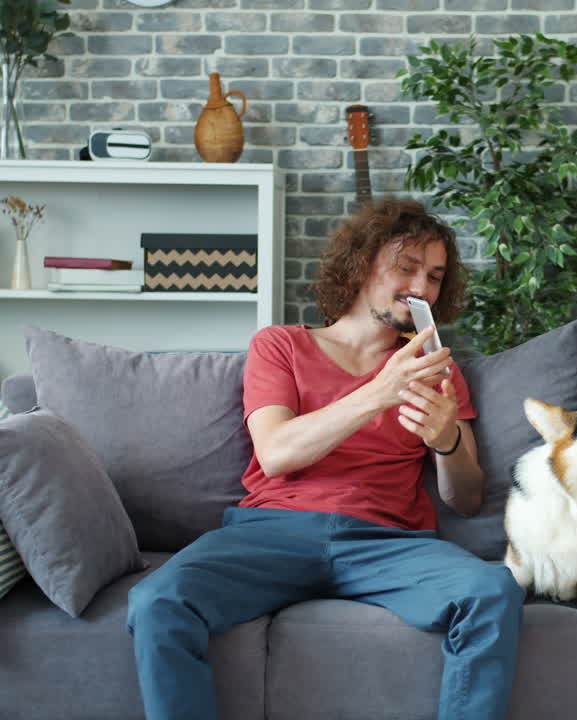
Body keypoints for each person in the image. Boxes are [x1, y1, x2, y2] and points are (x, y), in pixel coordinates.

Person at [127, 198, 525, 719]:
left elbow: (467, 499)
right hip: (271, 532)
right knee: (156, 602)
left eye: (434, 276)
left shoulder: (435, 370)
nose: (422, 287)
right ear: (362, 263)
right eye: (407, 268)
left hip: (388, 542)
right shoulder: (281, 346)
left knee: (492, 590)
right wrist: (379, 392)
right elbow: (276, 452)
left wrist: (446, 440)